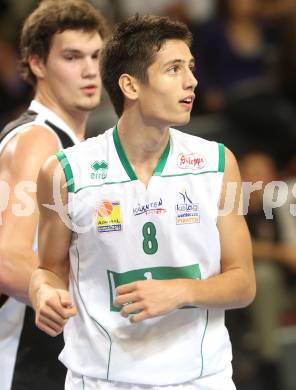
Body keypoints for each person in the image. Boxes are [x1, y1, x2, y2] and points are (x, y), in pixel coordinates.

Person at [29, 15, 255, 390]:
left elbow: (243, 283)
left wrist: (182, 290)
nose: (192, 81)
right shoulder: (65, 172)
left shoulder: (217, 162)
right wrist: (44, 293)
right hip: (101, 379)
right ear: (130, 85)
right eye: (173, 69)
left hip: (201, 378)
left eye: (191, 67)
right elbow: (48, 270)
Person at [0, 1, 108, 389]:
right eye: (72, 56)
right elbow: (7, 258)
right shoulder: (37, 139)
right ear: (37, 64)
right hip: (22, 357)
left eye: (96, 55)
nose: (90, 69)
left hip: (57, 351)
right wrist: (96, 306)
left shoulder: (77, 147)